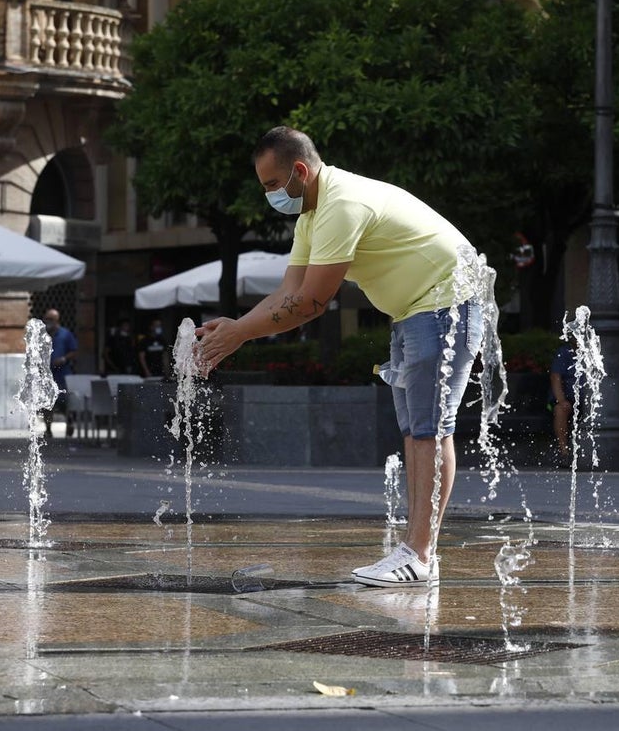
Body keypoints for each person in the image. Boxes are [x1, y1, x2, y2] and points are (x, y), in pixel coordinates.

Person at [196, 126, 485, 588]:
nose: (270, 195)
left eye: (273, 184)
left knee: (431, 427)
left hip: (447, 304)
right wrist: (235, 329)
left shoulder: (341, 204)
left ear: (300, 171)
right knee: (415, 431)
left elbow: (311, 303)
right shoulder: (312, 215)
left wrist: (240, 334)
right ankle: (414, 549)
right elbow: (288, 291)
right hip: (415, 310)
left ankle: (421, 554)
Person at [42, 309, 78, 437]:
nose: (47, 322)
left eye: (50, 319)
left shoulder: (65, 334)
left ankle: (70, 423)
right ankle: (48, 428)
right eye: (46, 319)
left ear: (57, 320)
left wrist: (63, 359)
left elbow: (74, 351)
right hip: (47, 375)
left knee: (65, 402)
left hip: (62, 374)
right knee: (47, 403)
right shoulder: (43, 335)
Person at [548, 344, 577, 462]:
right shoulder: (565, 352)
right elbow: (555, 377)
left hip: (588, 400)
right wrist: (561, 400)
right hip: (567, 398)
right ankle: (564, 453)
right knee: (561, 409)